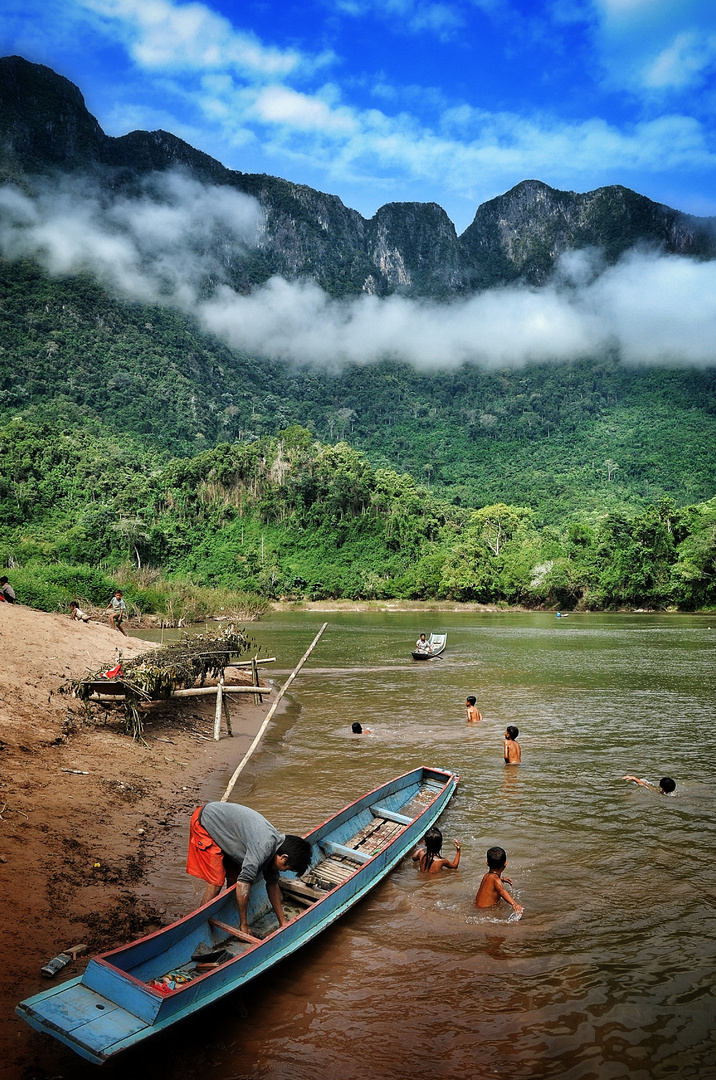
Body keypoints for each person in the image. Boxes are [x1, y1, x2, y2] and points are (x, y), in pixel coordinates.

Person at [186, 802, 312, 934]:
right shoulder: (263, 848)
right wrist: (244, 925)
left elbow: (272, 884)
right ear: (283, 857)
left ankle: (226, 913)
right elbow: (243, 885)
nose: (285, 871)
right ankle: (198, 926)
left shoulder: (277, 846)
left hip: (227, 830)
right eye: (287, 868)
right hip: (205, 822)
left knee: (234, 878)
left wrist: (282, 922)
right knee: (216, 881)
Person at [475, 846, 523, 914]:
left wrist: (502, 879)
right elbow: (502, 891)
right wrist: (514, 904)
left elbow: (493, 881)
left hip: (477, 908)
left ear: (487, 862)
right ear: (505, 863)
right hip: (486, 912)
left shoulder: (486, 876)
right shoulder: (496, 880)